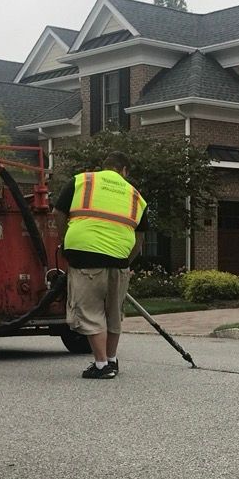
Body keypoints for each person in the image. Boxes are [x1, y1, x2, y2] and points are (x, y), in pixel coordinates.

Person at [53, 152, 147, 379]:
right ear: (125, 171)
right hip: (119, 260)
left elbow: (57, 213)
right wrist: (126, 261)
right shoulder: (136, 196)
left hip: (85, 257)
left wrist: (66, 241)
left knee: (91, 312)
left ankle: (102, 365)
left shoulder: (81, 181)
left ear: (103, 167)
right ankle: (112, 360)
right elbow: (141, 237)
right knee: (113, 313)